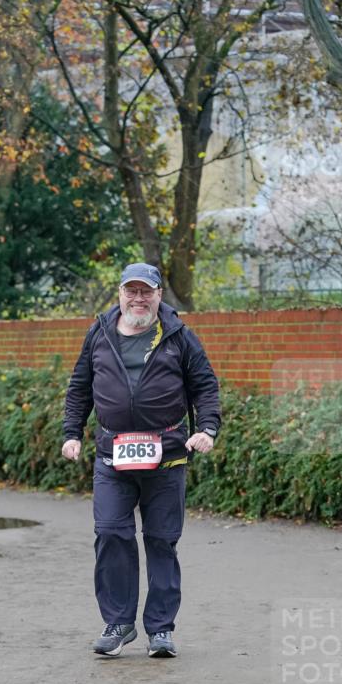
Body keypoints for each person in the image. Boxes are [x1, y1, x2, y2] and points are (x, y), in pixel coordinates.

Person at [62, 262, 221, 659]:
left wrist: (208, 429)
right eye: (131, 291)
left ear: (158, 295)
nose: (138, 298)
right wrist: (71, 433)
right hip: (112, 457)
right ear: (119, 294)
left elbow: (205, 385)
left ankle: (161, 630)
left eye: (145, 291)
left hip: (166, 458)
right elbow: (80, 387)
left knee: (161, 541)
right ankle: (118, 624)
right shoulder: (99, 333)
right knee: (111, 534)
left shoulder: (179, 336)